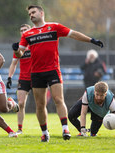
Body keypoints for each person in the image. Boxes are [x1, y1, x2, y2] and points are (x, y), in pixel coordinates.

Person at [15, 5, 104, 142]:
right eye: (29, 13)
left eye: (33, 12)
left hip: (53, 70)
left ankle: (65, 129)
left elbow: (73, 34)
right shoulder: (28, 34)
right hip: (36, 73)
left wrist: (91, 40)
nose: (31, 15)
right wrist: (16, 51)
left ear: (41, 13)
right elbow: (20, 53)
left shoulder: (54, 27)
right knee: (40, 105)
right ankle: (45, 132)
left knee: (58, 99)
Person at [7, 24, 31, 134]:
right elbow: (13, 63)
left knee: (41, 104)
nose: (23, 32)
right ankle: (20, 129)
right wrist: (9, 77)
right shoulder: (19, 47)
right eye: (21, 30)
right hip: (24, 78)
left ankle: (44, 129)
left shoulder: (36, 44)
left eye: (25, 29)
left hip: (37, 76)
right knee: (21, 103)